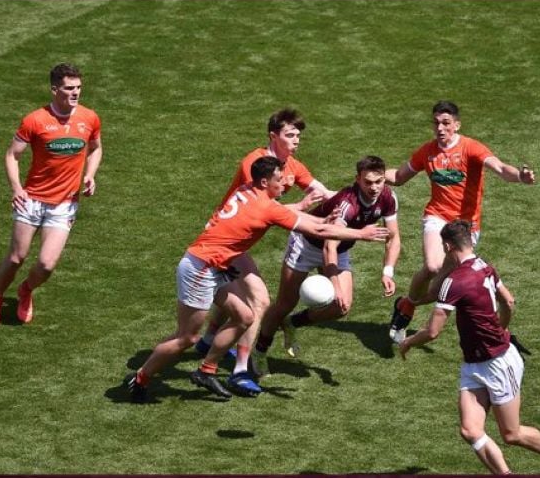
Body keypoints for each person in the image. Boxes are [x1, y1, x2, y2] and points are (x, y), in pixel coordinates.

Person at [124, 156, 387, 403]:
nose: (284, 182)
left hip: (213, 265)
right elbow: (313, 228)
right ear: (264, 182)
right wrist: (361, 234)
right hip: (201, 270)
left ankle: (206, 370)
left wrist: (308, 212)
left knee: (245, 317)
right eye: (279, 179)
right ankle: (140, 378)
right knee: (187, 337)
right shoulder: (266, 207)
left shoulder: (247, 191)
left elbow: (286, 214)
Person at [399, 220, 540, 475]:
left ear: (447, 246)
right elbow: (508, 302)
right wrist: (502, 326)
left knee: (511, 433)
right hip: (473, 363)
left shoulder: (454, 282)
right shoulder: (486, 267)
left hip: (498, 362)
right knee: (470, 430)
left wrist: (409, 342)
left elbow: (433, 332)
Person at [192, 108, 336, 394]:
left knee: (235, 293)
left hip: (236, 245)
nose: (296, 140)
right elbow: (265, 210)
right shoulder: (255, 164)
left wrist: (353, 197)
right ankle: (240, 371)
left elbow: (322, 190)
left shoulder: (292, 165)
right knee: (258, 300)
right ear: (273, 136)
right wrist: (306, 209)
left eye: (298, 135)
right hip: (222, 242)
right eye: (290, 135)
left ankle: (209, 340)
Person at [385, 100, 535, 343]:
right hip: (437, 217)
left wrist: (519, 176)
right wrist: (374, 174)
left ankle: (404, 304)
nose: (440, 128)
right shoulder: (428, 151)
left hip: (466, 228)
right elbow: (400, 176)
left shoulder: (471, 148)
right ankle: (407, 311)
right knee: (433, 266)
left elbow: (499, 168)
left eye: (446, 123)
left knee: (437, 290)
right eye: (436, 123)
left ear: (456, 125)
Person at [251, 155, 401, 377]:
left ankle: (291, 323)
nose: (374, 187)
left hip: (339, 250)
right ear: (357, 179)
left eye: (378, 181)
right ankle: (259, 351)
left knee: (341, 307)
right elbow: (327, 248)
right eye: (368, 182)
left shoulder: (387, 197)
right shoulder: (346, 206)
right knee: (284, 303)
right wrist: (336, 286)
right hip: (308, 245)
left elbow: (394, 237)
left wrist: (388, 271)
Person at [0, 63, 103, 325]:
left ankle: (25, 290)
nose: (75, 93)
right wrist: (17, 188)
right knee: (16, 257)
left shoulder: (89, 118)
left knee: (47, 265)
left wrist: (90, 174)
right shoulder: (35, 120)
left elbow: (95, 148)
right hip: (32, 200)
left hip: (64, 204)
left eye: (79, 88)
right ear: (54, 89)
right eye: (69, 88)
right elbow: (12, 155)